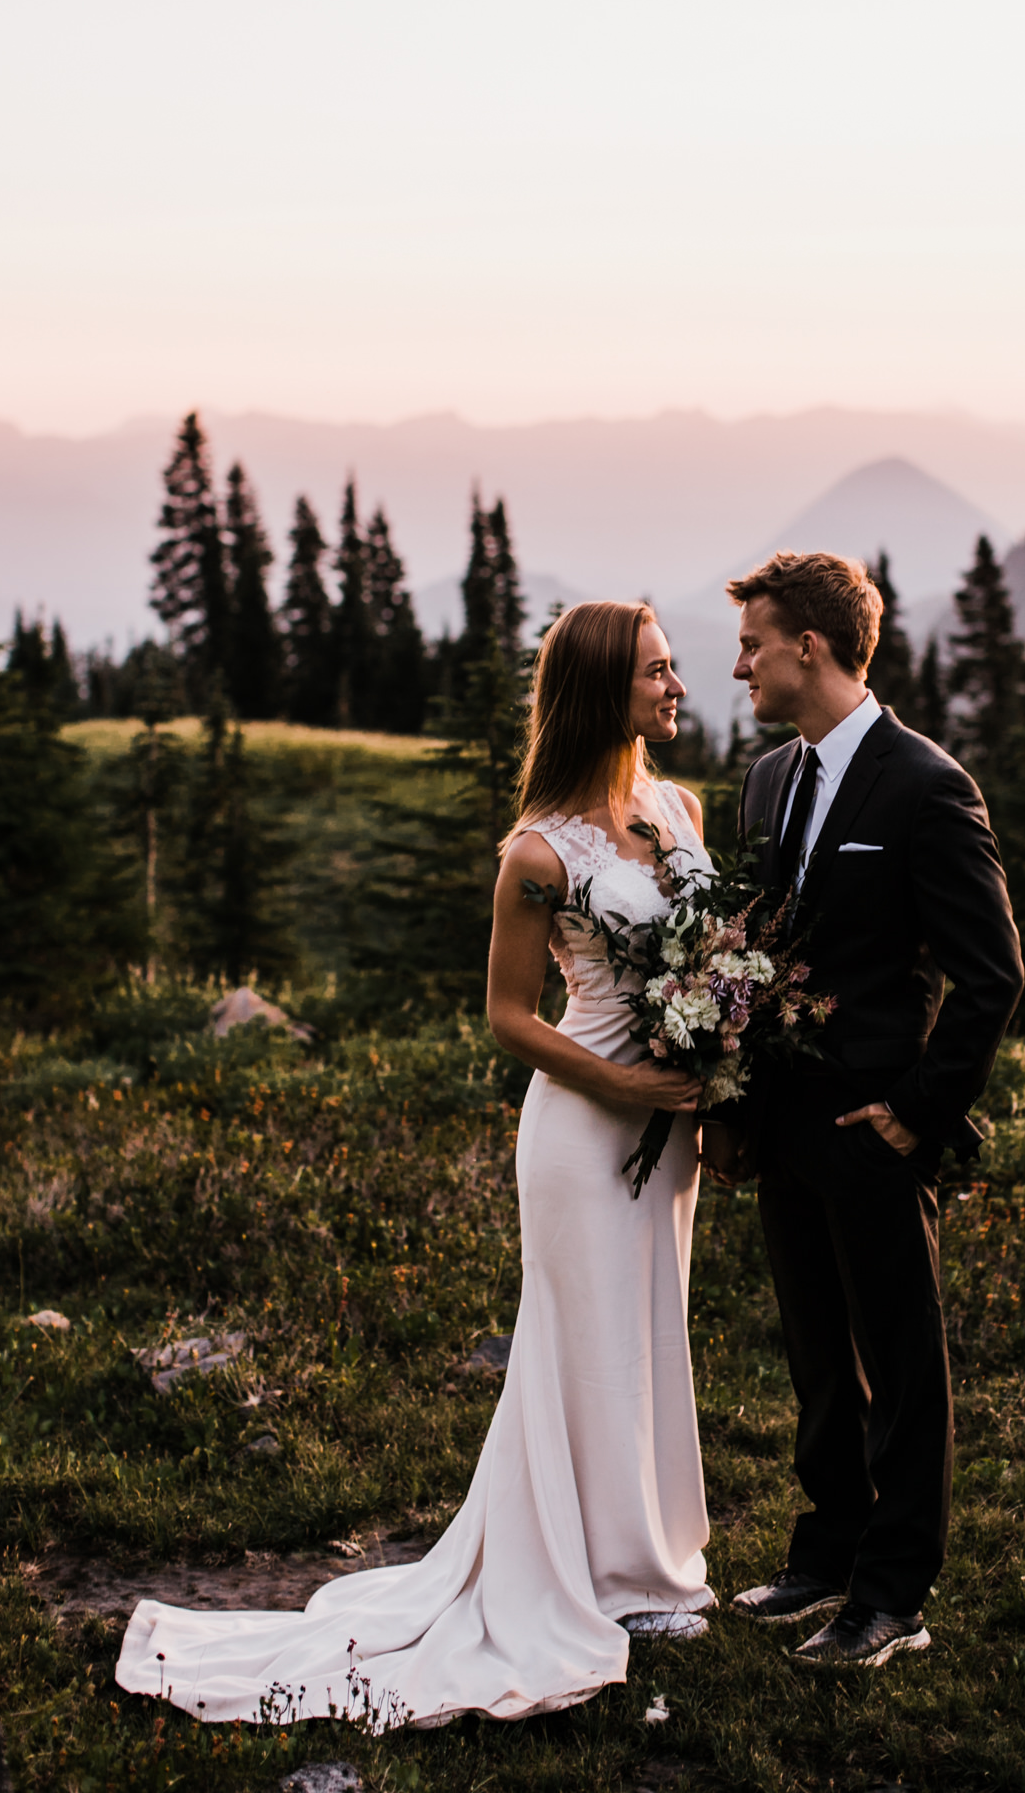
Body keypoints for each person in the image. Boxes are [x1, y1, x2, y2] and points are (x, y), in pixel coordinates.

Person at [115, 601, 716, 1729]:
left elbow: (710, 957)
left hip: (670, 1126)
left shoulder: (679, 807)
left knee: (650, 1326)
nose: (675, 686)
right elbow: (506, 1018)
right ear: (602, 690)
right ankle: (591, 1577)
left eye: (673, 667)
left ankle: (649, 1561)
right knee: (581, 1338)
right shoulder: (538, 853)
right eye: (654, 671)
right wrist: (629, 1084)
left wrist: (709, 1067)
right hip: (587, 1123)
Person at [709, 551, 1022, 1668]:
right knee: (814, 1354)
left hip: (875, 1127)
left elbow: (990, 973)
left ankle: (893, 1592)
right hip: (782, 1121)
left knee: (900, 1360)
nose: (736, 661)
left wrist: (918, 1112)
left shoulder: (925, 784)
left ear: (812, 646)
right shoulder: (763, 780)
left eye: (753, 642)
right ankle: (825, 1548)